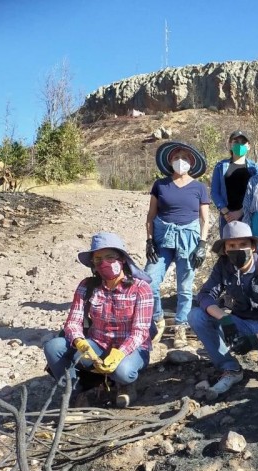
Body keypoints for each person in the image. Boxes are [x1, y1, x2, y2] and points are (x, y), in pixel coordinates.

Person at [44, 233, 153, 408]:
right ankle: (77, 390)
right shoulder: (87, 286)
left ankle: (123, 384)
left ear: (122, 260)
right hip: (97, 345)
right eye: (98, 259)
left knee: (123, 372)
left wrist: (120, 353)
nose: (104, 263)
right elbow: (73, 322)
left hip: (130, 348)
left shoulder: (140, 288)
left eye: (110, 257)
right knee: (54, 347)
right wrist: (80, 342)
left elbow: (140, 331)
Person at [189, 221, 258, 395]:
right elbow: (205, 294)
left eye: (243, 244)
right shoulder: (223, 266)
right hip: (240, 323)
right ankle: (230, 368)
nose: (238, 249)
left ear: (252, 246)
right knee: (196, 316)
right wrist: (224, 317)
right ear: (225, 249)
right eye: (232, 245)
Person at [145, 141, 210, 349]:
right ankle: (158, 319)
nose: (180, 161)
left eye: (184, 157)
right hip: (163, 239)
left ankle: (181, 326)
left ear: (191, 162)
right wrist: (149, 241)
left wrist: (202, 244)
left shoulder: (199, 188)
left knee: (184, 287)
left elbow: (205, 220)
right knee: (149, 281)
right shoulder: (160, 185)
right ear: (170, 161)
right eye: (176, 157)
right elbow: (150, 216)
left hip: (188, 240)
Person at [210, 130, 258, 236]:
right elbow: (215, 192)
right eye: (236, 141)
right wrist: (226, 212)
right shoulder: (220, 166)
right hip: (226, 217)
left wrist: (241, 212)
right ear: (230, 145)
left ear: (248, 146)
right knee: (228, 249)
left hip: (248, 215)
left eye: (243, 142)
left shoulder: (255, 168)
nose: (239, 145)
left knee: (247, 248)